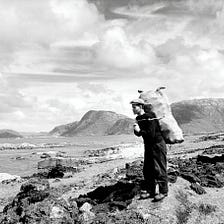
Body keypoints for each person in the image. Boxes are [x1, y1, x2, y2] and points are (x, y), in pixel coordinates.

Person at [130, 98, 168, 202]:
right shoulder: (139, 118)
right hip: (148, 145)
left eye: (134, 107)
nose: (132, 109)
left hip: (157, 144)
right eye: (132, 107)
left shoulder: (150, 116)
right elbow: (140, 134)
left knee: (160, 167)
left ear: (141, 106)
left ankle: (163, 191)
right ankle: (151, 191)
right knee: (148, 168)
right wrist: (136, 130)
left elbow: (150, 133)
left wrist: (139, 130)